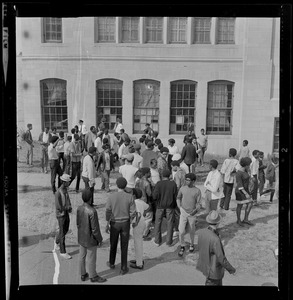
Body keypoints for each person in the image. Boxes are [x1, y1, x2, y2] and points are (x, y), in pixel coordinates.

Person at [105, 177, 137, 275]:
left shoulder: (111, 196)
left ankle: (111, 262)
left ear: (117, 185)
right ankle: (124, 267)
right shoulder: (130, 197)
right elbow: (133, 212)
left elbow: (108, 211)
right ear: (125, 185)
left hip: (115, 223)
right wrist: (131, 221)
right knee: (124, 245)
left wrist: (107, 222)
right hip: (125, 223)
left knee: (113, 243)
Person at [197, 210, 236, 285]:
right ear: (218, 223)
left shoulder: (203, 233)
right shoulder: (215, 239)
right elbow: (221, 258)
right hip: (214, 273)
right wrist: (231, 270)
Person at [76, 188, 107, 283]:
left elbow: (78, 223)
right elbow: (95, 229)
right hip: (90, 239)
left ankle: (83, 274)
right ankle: (93, 276)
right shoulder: (92, 211)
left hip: (81, 237)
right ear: (90, 198)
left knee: (82, 256)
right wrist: (100, 239)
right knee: (91, 258)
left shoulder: (79, 208)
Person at [177, 173, 202, 257]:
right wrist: (179, 207)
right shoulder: (182, 188)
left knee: (192, 230)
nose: (186, 181)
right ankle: (182, 245)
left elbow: (199, 204)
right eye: (186, 179)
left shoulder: (197, 191)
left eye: (188, 180)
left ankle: (191, 244)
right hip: (183, 212)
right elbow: (178, 198)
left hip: (192, 214)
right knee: (181, 230)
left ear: (193, 181)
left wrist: (195, 211)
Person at [152, 169, 177, 246]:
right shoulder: (173, 184)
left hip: (160, 206)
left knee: (158, 223)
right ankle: (169, 242)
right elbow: (175, 195)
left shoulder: (158, 184)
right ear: (170, 175)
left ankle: (157, 241)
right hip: (170, 206)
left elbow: (154, 196)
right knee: (170, 223)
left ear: (162, 176)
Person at [129, 188, 151, 269]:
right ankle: (139, 259)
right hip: (142, 222)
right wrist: (144, 212)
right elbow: (148, 207)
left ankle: (139, 264)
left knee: (137, 243)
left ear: (134, 195)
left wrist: (134, 222)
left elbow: (137, 214)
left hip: (137, 223)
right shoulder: (142, 202)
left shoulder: (133, 202)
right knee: (138, 242)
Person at [54, 174, 72, 259]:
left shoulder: (65, 190)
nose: (69, 183)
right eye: (68, 182)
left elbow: (68, 200)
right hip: (61, 215)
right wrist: (67, 208)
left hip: (66, 213)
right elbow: (59, 207)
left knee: (66, 229)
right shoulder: (58, 192)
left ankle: (57, 242)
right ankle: (63, 251)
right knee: (62, 232)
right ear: (64, 182)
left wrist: (69, 207)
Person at [235, 157, 254, 226]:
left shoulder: (246, 171)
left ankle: (246, 219)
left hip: (246, 190)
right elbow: (239, 185)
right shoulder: (239, 173)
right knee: (240, 206)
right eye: (249, 165)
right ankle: (238, 220)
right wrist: (246, 194)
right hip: (240, 192)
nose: (249, 166)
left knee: (250, 203)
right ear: (245, 165)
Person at [135, 167, 153, 240]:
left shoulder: (138, 181)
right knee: (148, 219)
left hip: (138, 201)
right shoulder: (146, 183)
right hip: (146, 202)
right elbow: (149, 194)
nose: (150, 174)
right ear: (146, 174)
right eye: (149, 172)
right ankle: (144, 234)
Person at [171, 160, 186, 238]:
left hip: (179, 193)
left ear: (175, 166)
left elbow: (177, 185)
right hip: (185, 192)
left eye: (172, 167)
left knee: (177, 212)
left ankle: (178, 229)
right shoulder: (184, 171)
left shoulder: (177, 174)